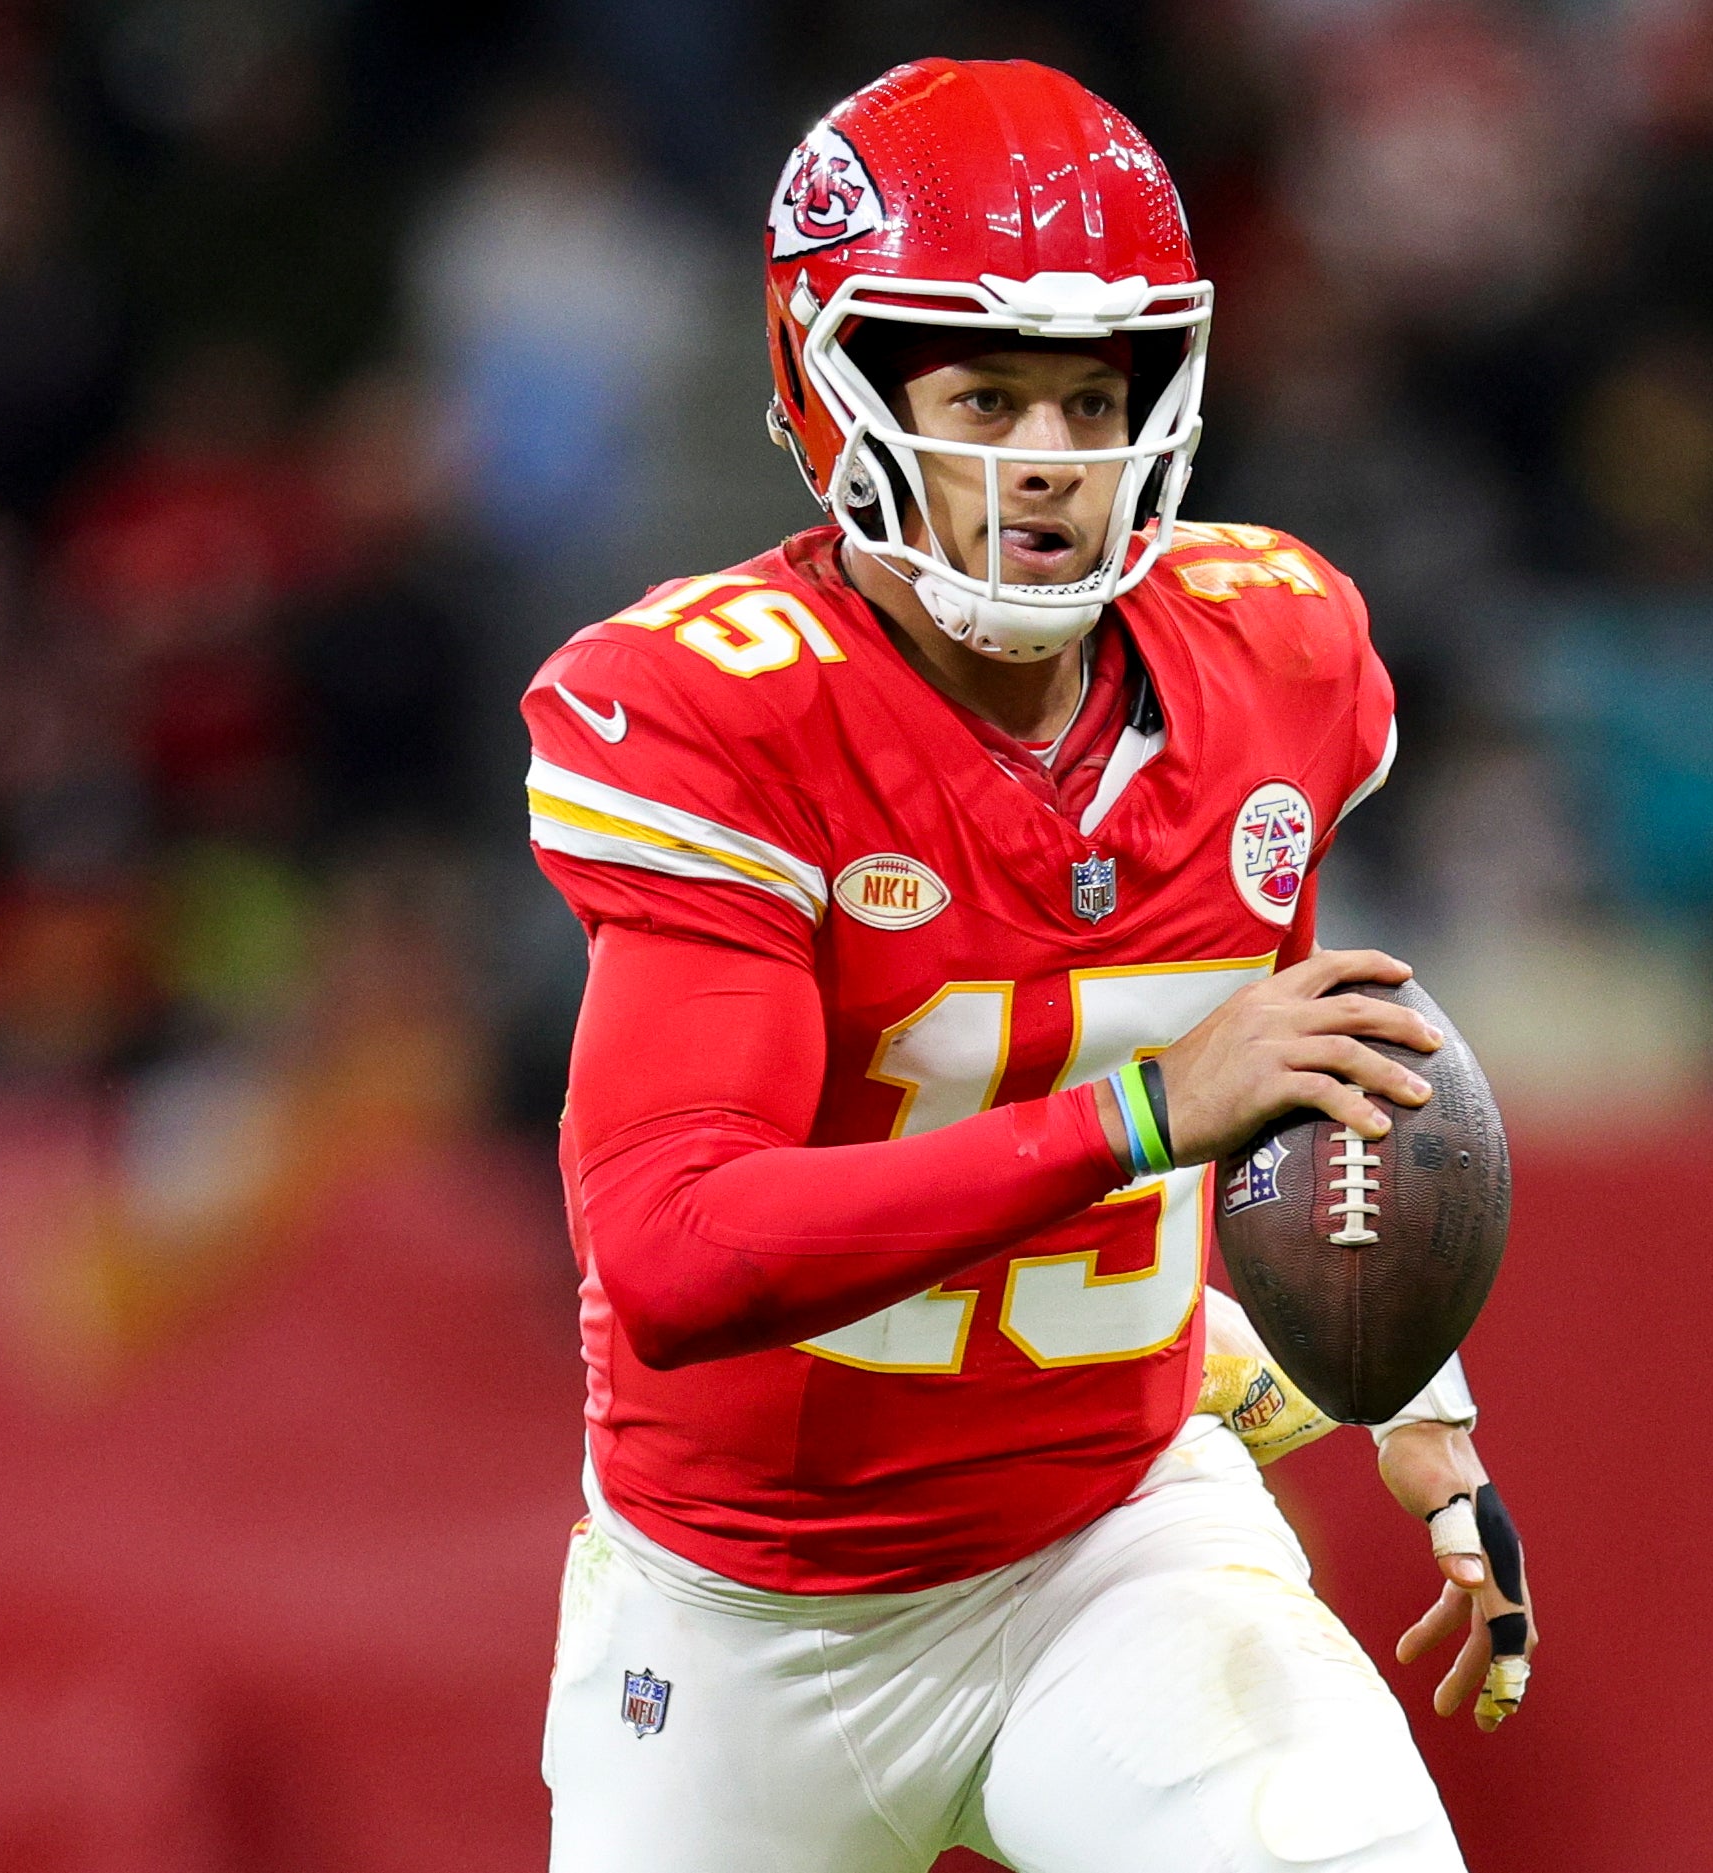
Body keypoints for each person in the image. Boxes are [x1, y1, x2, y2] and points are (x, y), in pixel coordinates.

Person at [525, 59, 1532, 1872]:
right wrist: (1145, 1116)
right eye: (985, 393)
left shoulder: (1272, 651)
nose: (1048, 463)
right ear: (827, 389)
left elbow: (1298, 1082)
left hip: (1113, 1536)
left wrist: (1414, 1402)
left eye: (1087, 396)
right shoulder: (717, 710)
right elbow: (672, 1250)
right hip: (747, 1613)